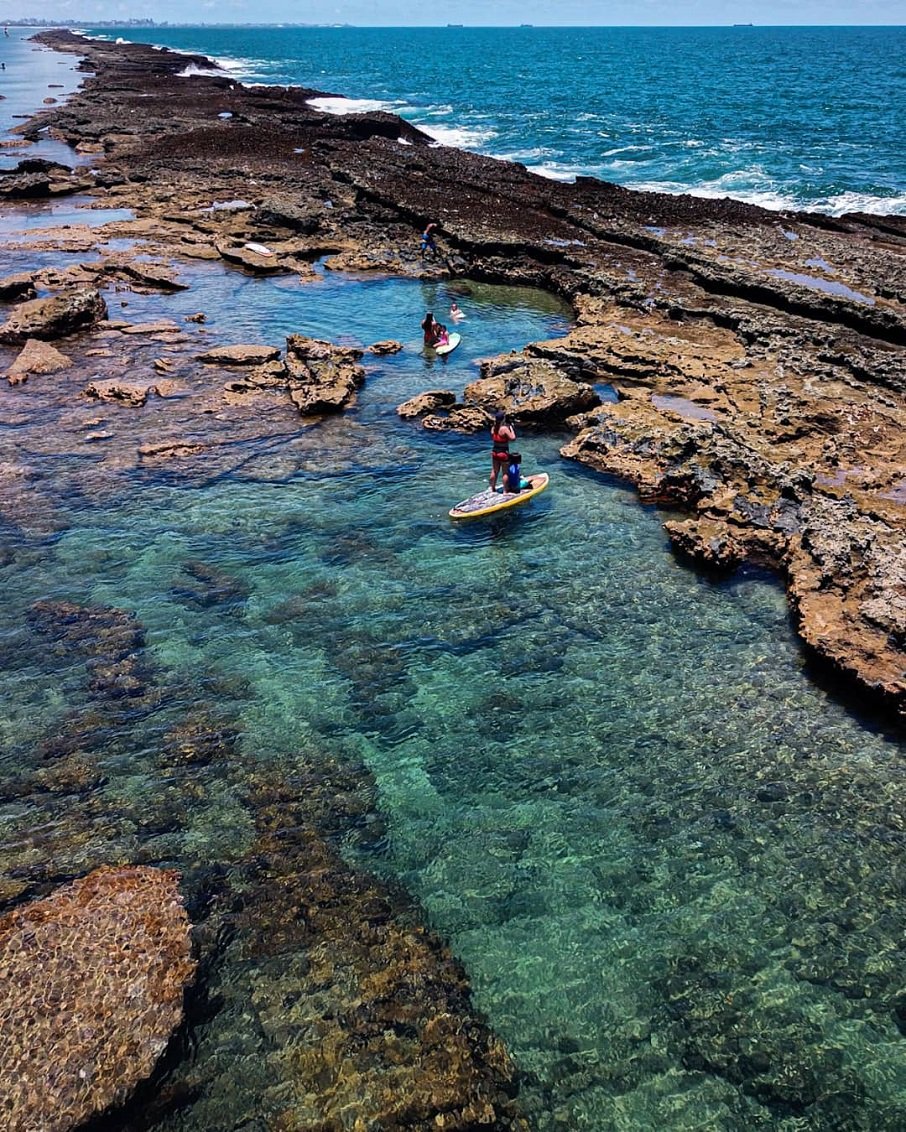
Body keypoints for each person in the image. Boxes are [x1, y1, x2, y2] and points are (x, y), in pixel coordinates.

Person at [489, 409, 516, 492]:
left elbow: (493, 436)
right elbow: (513, 438)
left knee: (494, 471)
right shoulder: (504, 428)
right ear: (503, 419)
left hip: (494, 452)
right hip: (503, 453)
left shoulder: (494, 428)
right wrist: (511, 429)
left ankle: (492, 488)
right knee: (505, 473)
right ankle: (505, 491)